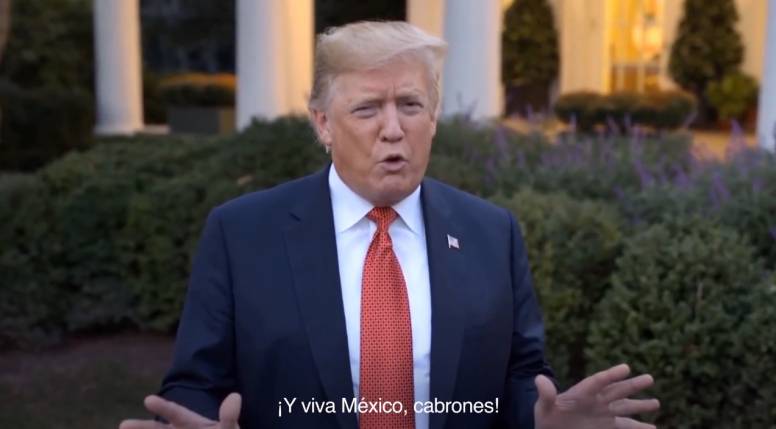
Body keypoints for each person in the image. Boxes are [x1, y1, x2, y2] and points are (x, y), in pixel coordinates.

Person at [120, 21, 659, 429]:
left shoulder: (491, 233)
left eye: (410, 104)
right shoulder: (242, 234)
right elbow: (194, 384)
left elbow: (520, 378)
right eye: (367, 109)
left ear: (434, 117)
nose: (393, 129)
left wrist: (543, 419)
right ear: (323, 123)